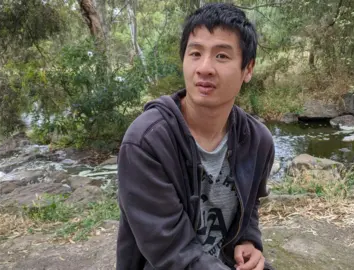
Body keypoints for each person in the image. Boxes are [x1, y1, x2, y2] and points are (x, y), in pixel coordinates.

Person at [116, 3, 275, 270]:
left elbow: (249, 208)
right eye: (195, 53)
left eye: (222, 56)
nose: (204, 68)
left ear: (248, 69)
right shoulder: (146, 142)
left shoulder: (258, 141)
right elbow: (170, 252)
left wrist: (249, 240)